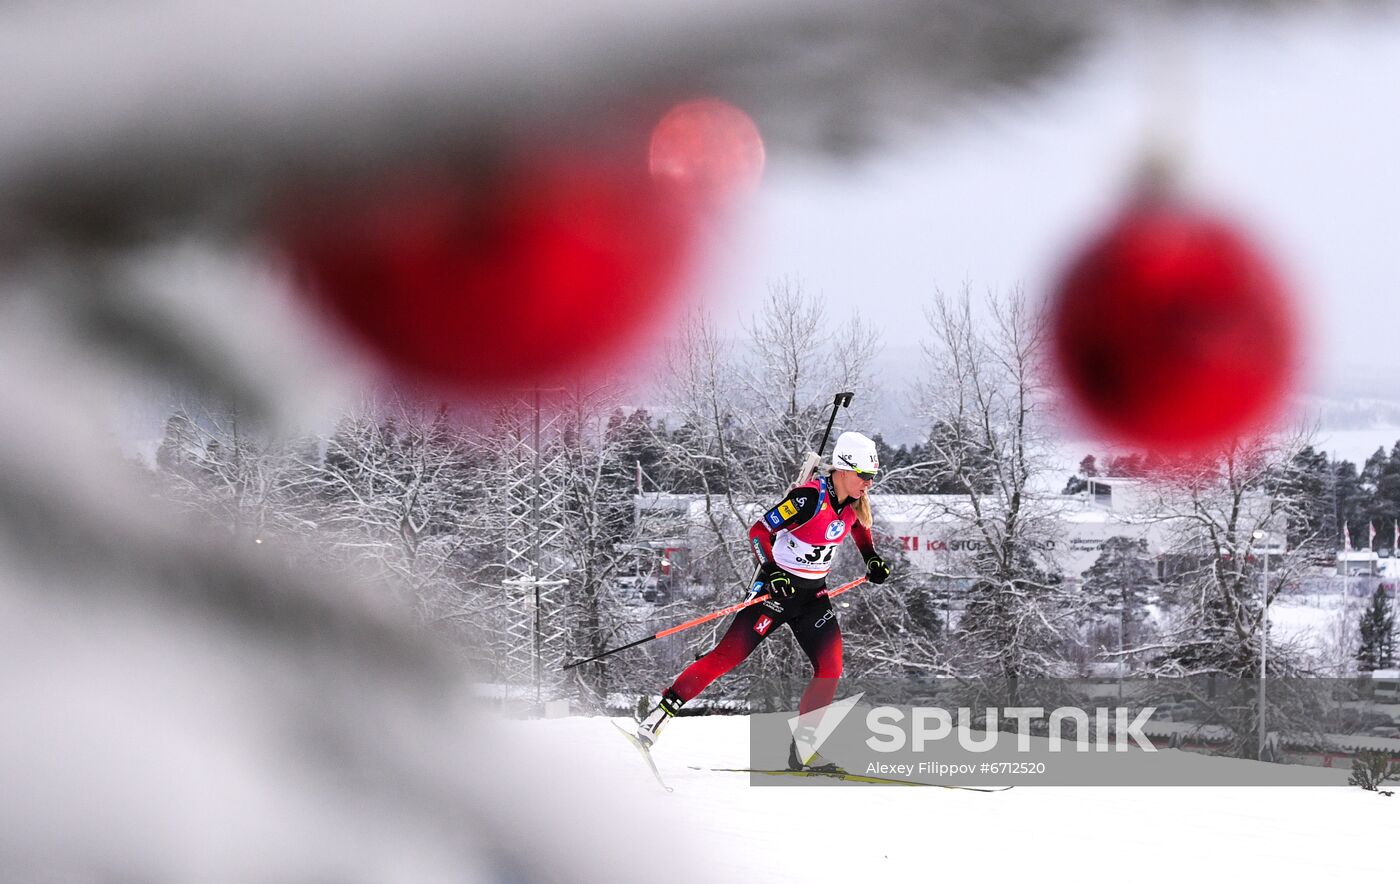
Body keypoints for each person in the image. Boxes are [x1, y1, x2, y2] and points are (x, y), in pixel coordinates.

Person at [635, 431, 891, 770]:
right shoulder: (808, 499)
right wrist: (772, 570)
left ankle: (803, 751)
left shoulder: (852, 504)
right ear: (843, 469)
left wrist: (871, 558)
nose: (869, 483)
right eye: (864, 476)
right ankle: (658, 716)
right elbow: (758, 530)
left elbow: (858, 527)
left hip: (813, 597)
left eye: (872, 477)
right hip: (776, 593)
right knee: (727, 656)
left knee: (830, 667)